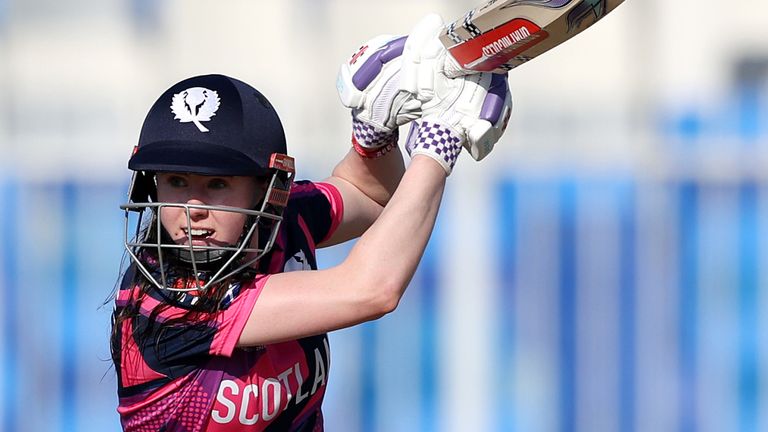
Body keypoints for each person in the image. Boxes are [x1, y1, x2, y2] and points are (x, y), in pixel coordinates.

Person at [111, 15, 512, 431]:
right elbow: (371, 290)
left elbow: (370, 196)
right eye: (175, 181)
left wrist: (373, 132)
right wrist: (439, 143)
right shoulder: (165, 304)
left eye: (217, 184)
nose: (192, 208)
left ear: (268, 191)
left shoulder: (284, 219)